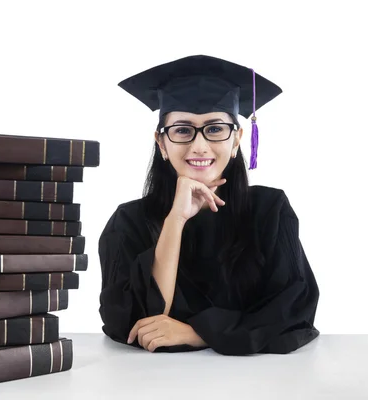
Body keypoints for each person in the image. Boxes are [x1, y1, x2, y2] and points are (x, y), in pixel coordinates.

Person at [98, 54, 320, 356]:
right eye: (182, 130)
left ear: (237, 139)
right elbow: (133, 323)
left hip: (258, 383)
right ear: (161, 143)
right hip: (152, 382)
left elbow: (295, 309)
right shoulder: (128, 222)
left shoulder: (270, 211)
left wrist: (198, 334)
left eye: (215, 129)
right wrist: (175, 220)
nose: (199, 146)